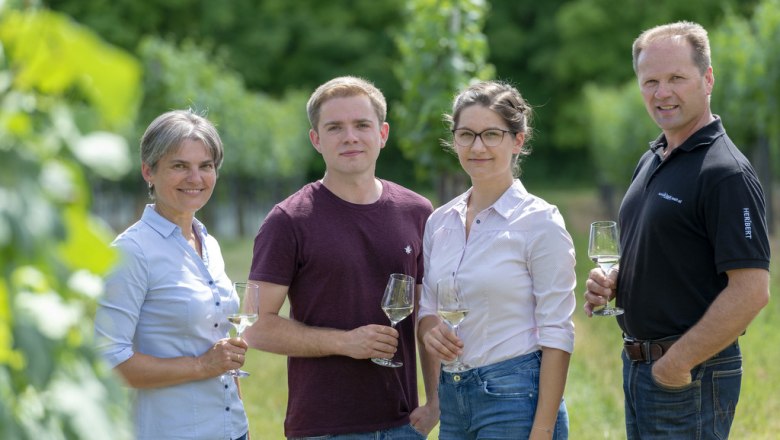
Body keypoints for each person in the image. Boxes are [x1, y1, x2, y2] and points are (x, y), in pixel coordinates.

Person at [584, 21, 771, 439]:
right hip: (641, 367)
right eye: (650, 81)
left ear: (707, 80)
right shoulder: (655, 156)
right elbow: (669, 256)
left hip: (690, 376)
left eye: (675, 79)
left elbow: (751, 291)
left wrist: (676, 363)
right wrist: (615, 282)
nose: (661, 92)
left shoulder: (725, 173)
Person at [244, 76, 439, 439]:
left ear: (382, 134)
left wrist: (436, 403)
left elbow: (427, 314)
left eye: (361, 125)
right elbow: (256, 326)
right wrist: (344, 342)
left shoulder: (418, 211)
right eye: (335, 127)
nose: (350, 137)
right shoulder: (288, 220)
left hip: (403, 425)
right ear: (316, 140)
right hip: (324, 428)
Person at [418, 80, 577, 440]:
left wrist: (543, 429)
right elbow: (427, 308)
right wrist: (431, 335)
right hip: (453, 398)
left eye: (492, 134)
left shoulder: (540, 222)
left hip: (516, 398)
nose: (477, 147)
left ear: (517, 141)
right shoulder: (439, 222)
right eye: (466, 134)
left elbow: (557, 333)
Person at [94, 110, 250, 440]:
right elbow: (110, 362)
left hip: (232, 429)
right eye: (180, 166)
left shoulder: (209, 243)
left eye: (205, 166)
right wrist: (202, 366)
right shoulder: (131, 252)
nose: (195, 177)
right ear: (148, 171)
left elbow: (220, 341)